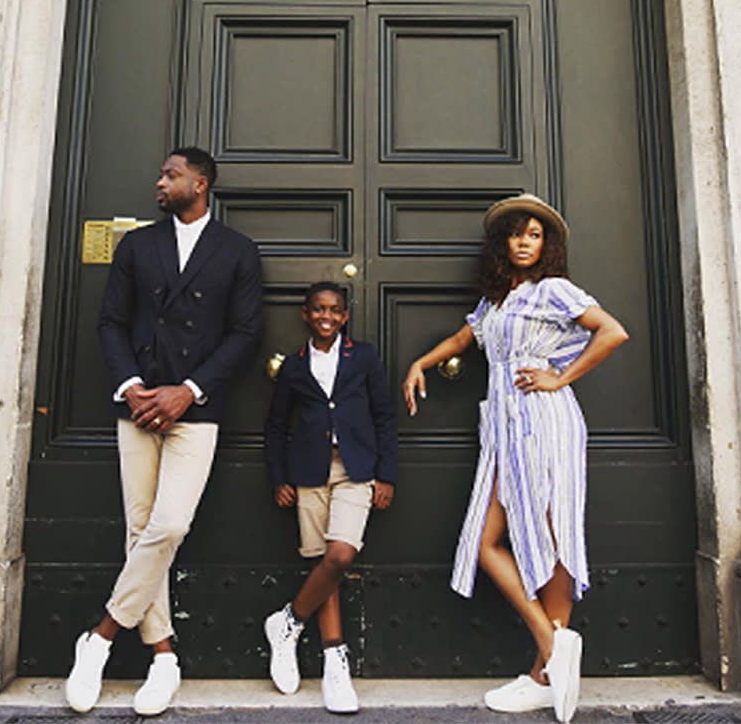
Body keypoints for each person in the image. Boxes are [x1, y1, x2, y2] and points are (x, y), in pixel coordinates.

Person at [402, 194, 628, 723]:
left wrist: (560, 376)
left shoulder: (555, 290)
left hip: (544, 419)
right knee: (485, 542)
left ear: (545, 244)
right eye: (516, 234)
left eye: (534, 234)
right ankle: (554, 649)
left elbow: (612, 331)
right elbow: (465, 336)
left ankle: (544, 671)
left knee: (552, 531)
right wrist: (421, 362)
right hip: (505, 427)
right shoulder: (497, 300)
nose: (525, 242)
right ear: (502, 242)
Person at [64, 147, 262, 715]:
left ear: (199, 184)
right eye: (162, 175)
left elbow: (245, 334)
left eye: (171, 175)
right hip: (140, 404)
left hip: (194, 410)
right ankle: (164, 656)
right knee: (139, 530)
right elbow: (111, 321)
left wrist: (188, 391)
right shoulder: (137, 245)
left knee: (169, 525)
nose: (159, 182)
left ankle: (99, 636)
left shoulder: (237, 251)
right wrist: (131, 385)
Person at [263, 282, 397, 714]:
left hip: (355, 470)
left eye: (335, 310)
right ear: (305, 314)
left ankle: (288, 621)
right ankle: (334, 663)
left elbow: (385, 418)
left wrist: (386, 475)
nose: (326, 316)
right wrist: (279, 477)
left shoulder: (365, 357)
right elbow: (275, 426)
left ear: (345, 317)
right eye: (318, 309)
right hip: (308, 471)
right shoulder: (294, 367)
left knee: (340, 556)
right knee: (321, 560)